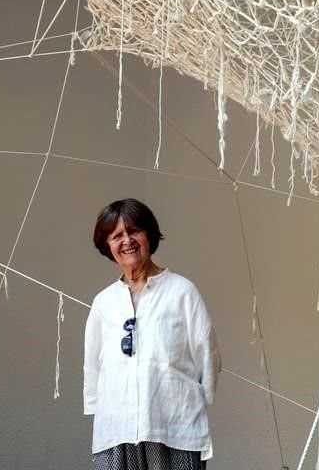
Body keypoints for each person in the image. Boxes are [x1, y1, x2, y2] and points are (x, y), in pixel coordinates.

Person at [85, 198, 221, 470]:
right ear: (107, 245)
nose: (127, 241)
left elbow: (207, 354)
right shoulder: (103, 302)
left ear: (149, 234)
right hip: (116, 431)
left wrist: (195, 401)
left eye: (134, 231)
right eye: (117, 235)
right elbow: (93, 367)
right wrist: (100, 408)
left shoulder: (182, 291)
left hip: (173, 427)